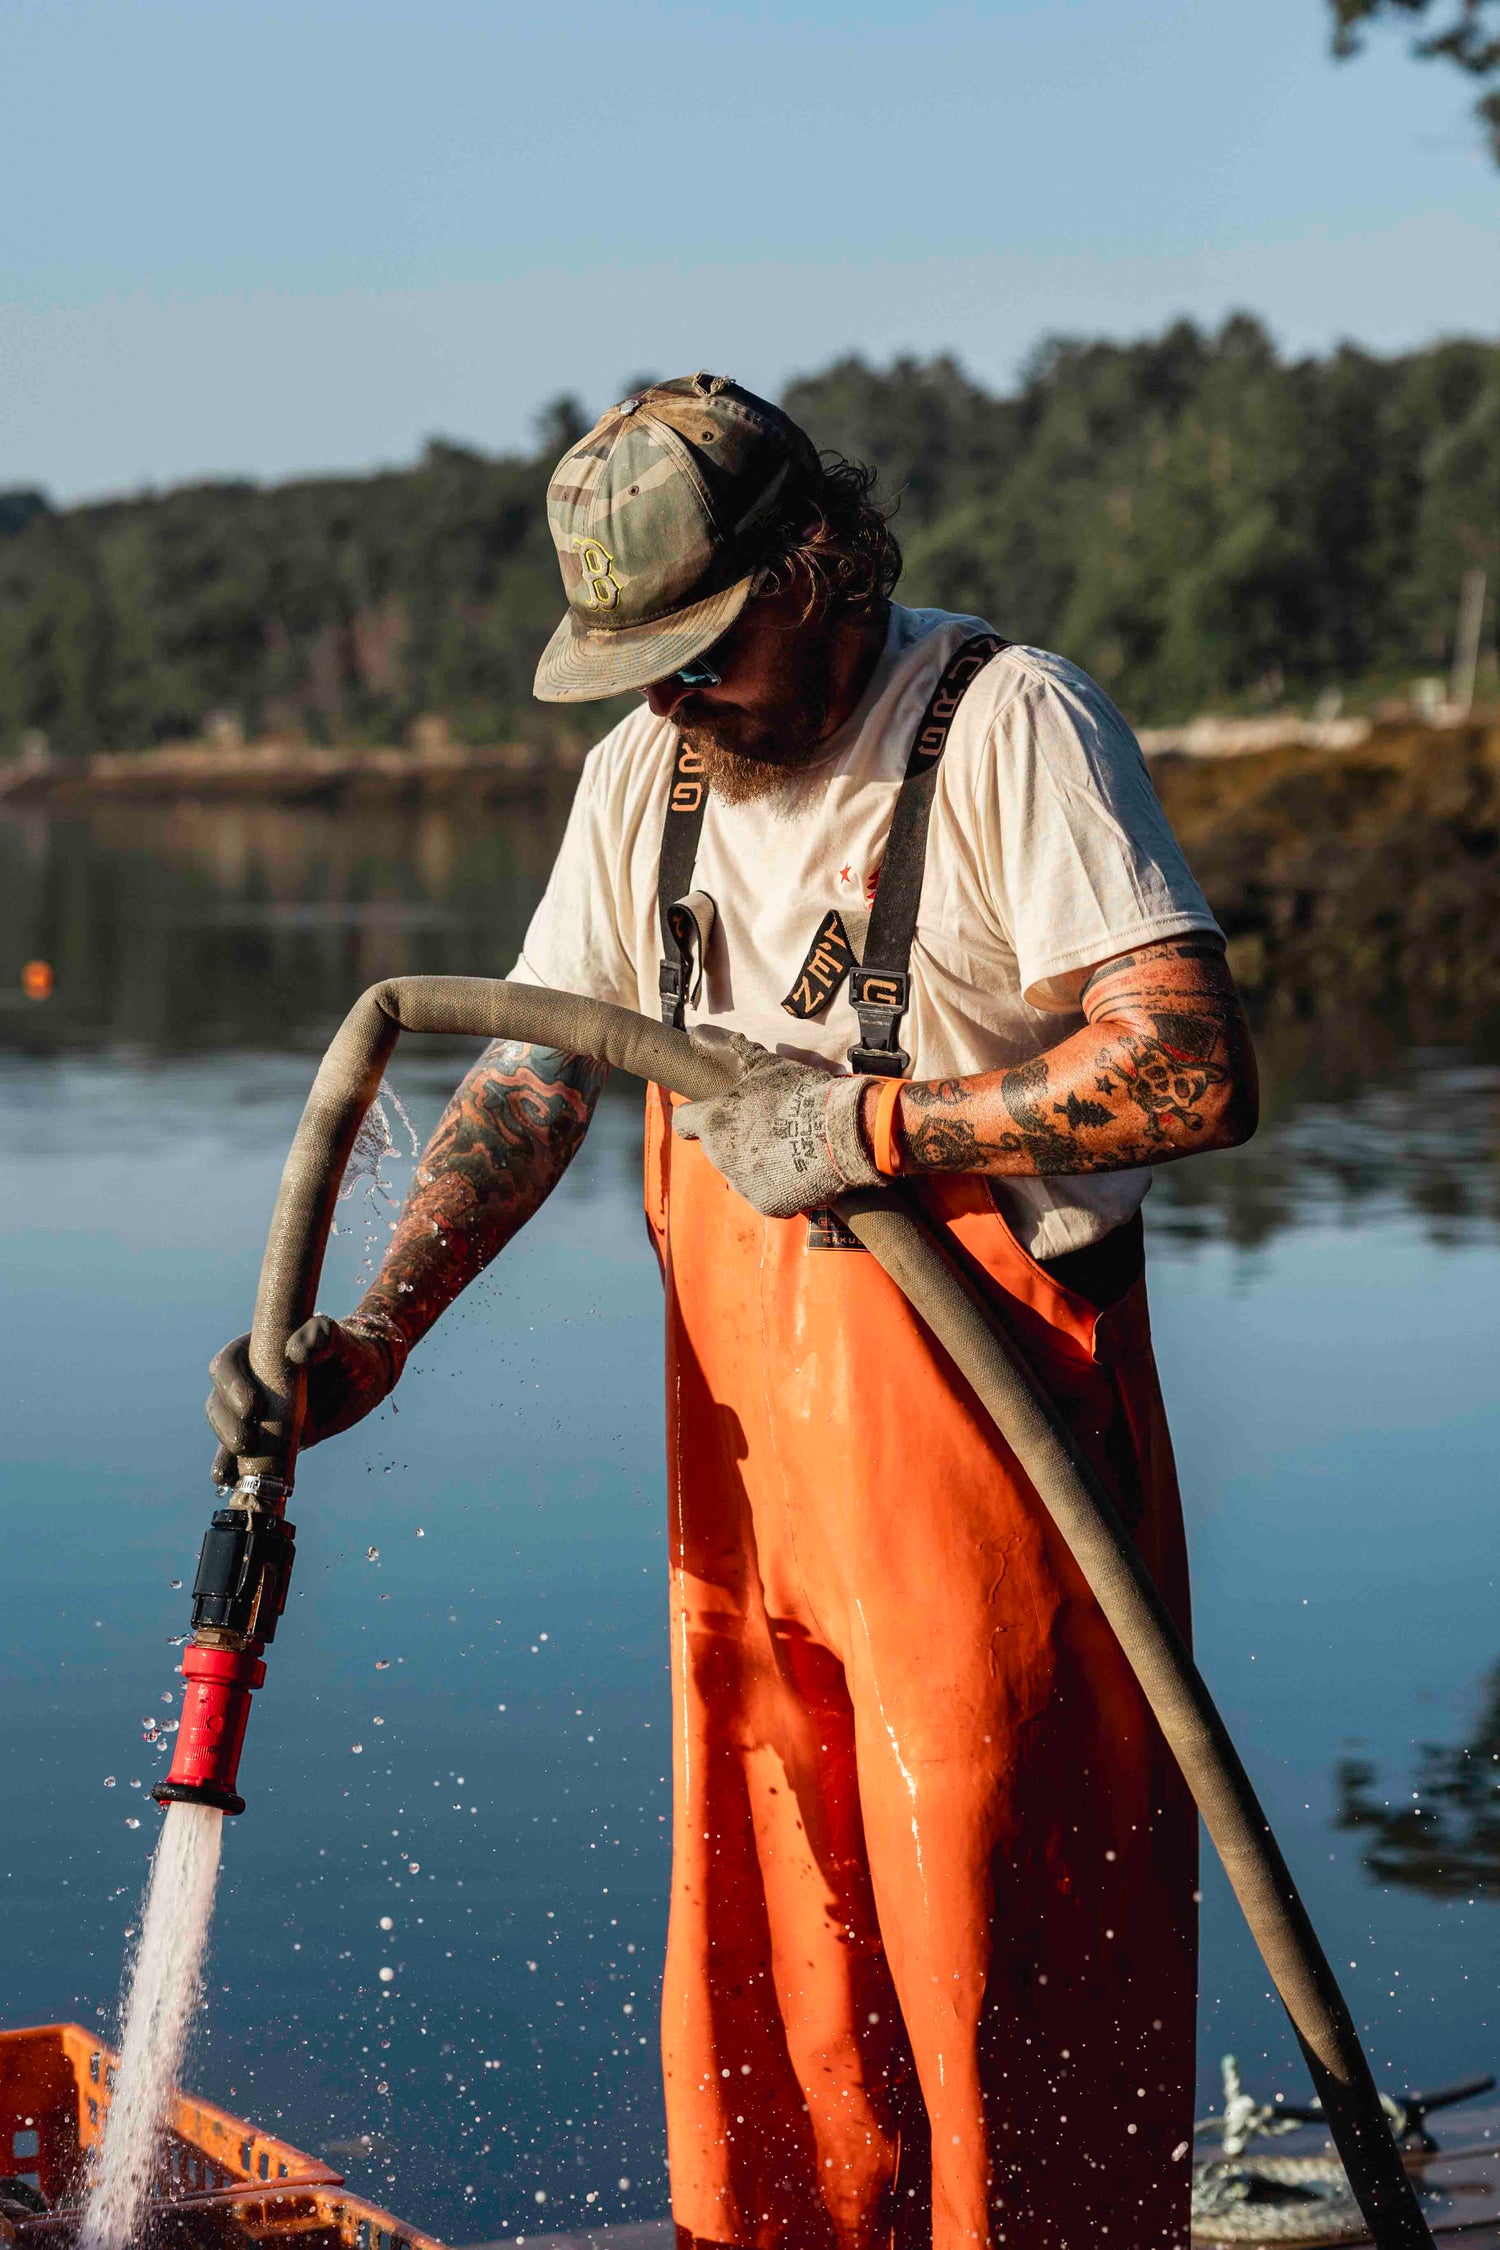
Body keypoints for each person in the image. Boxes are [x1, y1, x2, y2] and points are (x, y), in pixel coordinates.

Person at [209, 372, 1257, 2249]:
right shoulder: (650, 774)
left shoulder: (1008, 728)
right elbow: (533, 1085)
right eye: (640, 661)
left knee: (998, 1959)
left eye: (701, 647)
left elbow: (1190, 1065)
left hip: (998, 1478)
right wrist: (367, 1341)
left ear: (820, 564)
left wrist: (884, 1120)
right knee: (775, 1971)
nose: (670, 690)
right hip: (756, 1479)